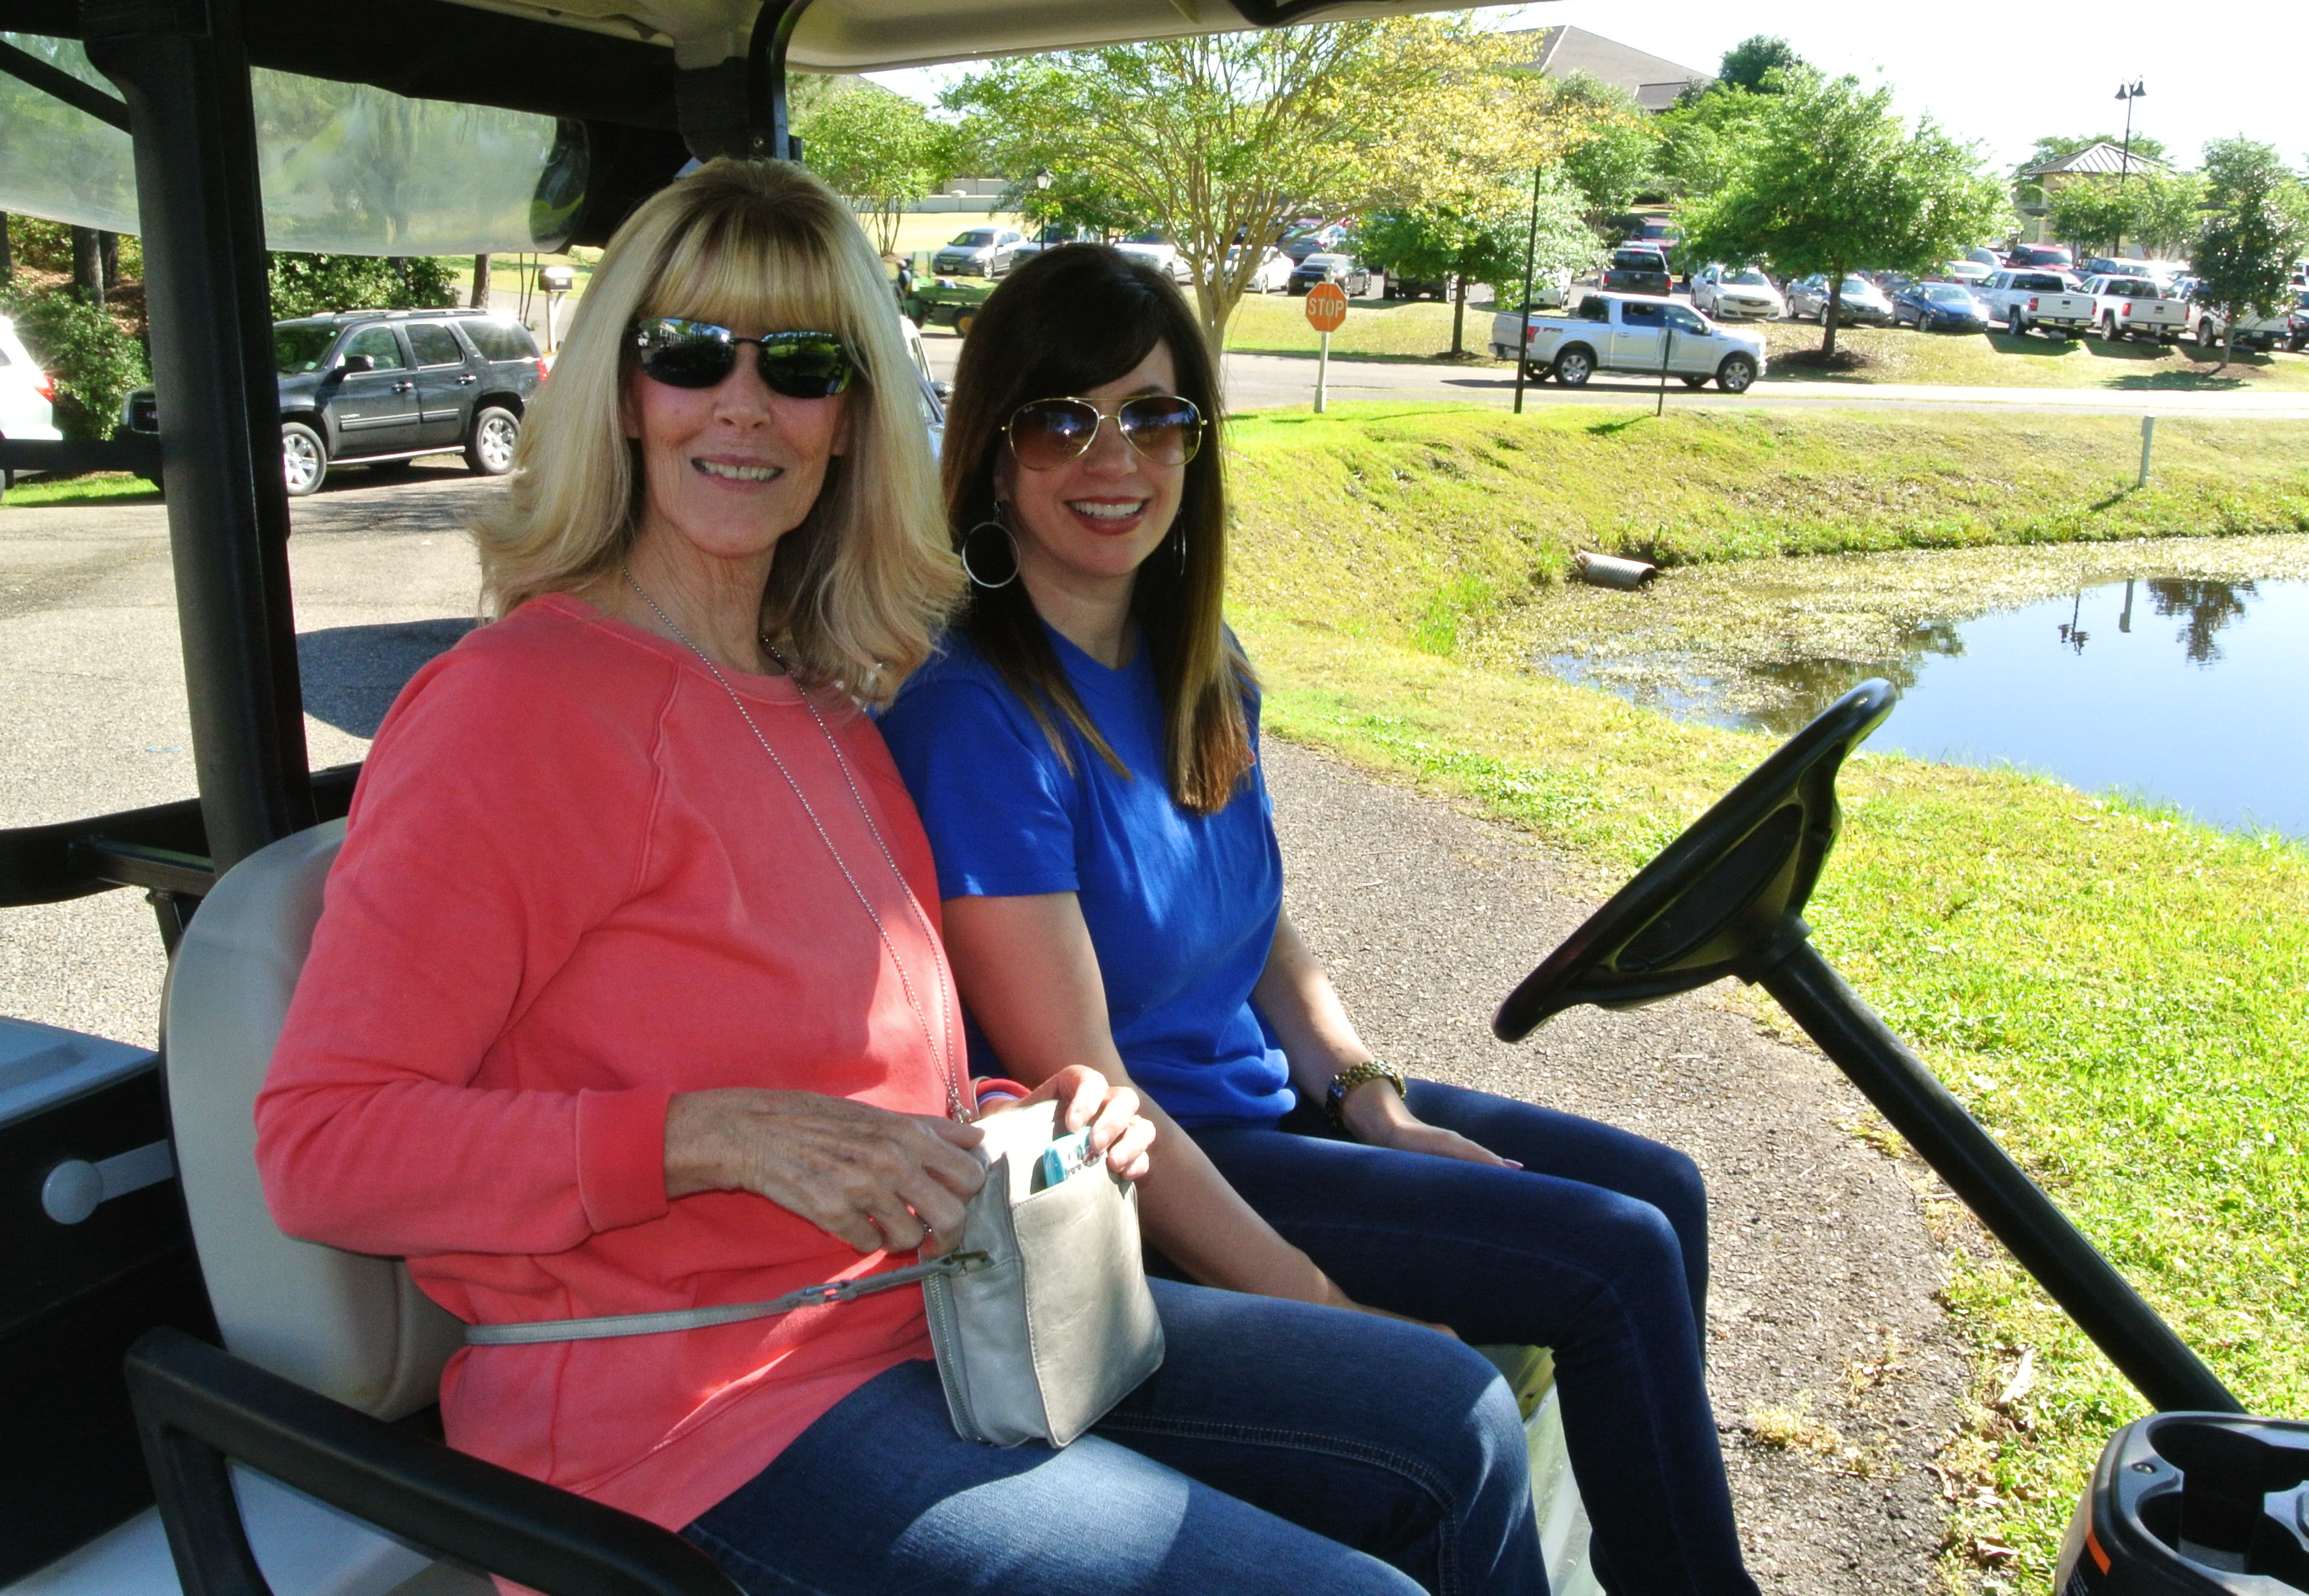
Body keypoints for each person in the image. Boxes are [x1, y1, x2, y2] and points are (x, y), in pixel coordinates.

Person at [254, 161, 1549, 1596]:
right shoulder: (513, 710)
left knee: (1452, 1418)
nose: (745, 405)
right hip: (684, 1417)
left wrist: (1020, 1110)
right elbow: (323, 1148)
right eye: (691, 353)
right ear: (622, 392)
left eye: (801, 366)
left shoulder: (820, 704)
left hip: (938, 1310)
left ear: (852, 416)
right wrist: (704, 1137)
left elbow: (869, 1083)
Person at [875, 243, 1765, 1596]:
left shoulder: (1196, 662)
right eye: (1060, 421)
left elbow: (1259, 922)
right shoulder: (974, 715)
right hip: (1144, 1172)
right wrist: (1330, 1311)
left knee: (1664, 1190)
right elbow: (1090, 1090)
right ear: (993, 458)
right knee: (1612, 1258)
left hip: (1271, 1113)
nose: (1114, 459)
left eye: (1154, 417)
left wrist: (1368, 1097)